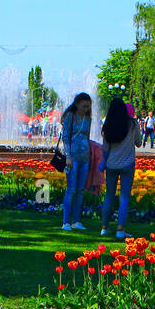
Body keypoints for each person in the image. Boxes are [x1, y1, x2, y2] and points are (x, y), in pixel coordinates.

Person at [99, 97, 140, 239]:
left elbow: (104, 147)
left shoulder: (107, 125)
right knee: (124, 197)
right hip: (127, 164)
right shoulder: (132, 124)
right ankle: (120, 229)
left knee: (109, 195)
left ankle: (104, 227)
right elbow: (139, 142)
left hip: (111, 164)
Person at [61, 91, 93, 232]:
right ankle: (66, 222)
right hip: (72, 158)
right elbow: (65, 136)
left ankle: (76, 221)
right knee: (71, 189)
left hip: (85, 157)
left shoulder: (88, 119)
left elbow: (87, 137)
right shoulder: (70, 116)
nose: (86, 109)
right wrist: (67, 156)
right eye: (84, 106)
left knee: (80, 190)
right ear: (77, 104)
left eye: (88, 106)